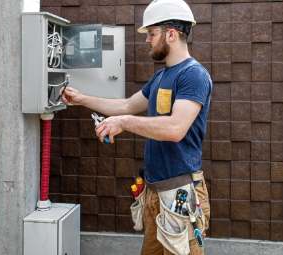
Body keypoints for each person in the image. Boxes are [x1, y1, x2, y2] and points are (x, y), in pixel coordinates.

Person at [61, 0, 212, 254]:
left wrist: (124, 123)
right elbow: (127, 105)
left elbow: (175, 128)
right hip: (155, 192)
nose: (147, 40)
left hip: (180, 193)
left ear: (171, 34)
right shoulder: (161, 76)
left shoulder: (193, 75)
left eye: (152, 34)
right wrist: (82, 99)